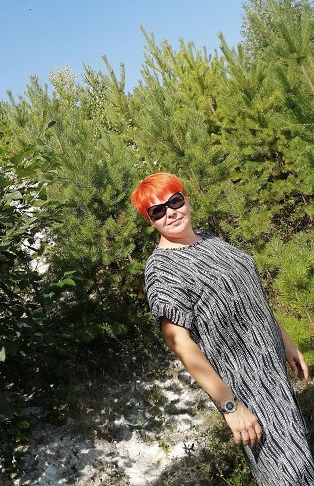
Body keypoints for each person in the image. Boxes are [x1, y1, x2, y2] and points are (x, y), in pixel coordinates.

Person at [130, 172, 314, 486]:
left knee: (301, 462)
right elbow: (179, 342)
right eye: (158, 211)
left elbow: (251, 296)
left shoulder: (210, 240)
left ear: (186, 200)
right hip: (245, 390)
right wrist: (230, 406)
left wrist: (286, 342)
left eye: (175, 201)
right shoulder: (162, 270)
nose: (170, 213)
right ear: (150, 221)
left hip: (273, 376)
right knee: (287, 474)